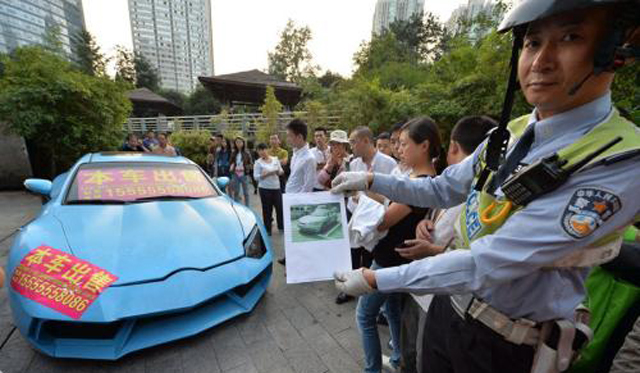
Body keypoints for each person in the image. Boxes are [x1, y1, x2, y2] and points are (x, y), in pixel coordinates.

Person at [331, 1, 640, 372]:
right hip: (450, 309)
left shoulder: (619, 159)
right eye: (532, 42)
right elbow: (442, 189)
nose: (540, 61)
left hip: (505, 343)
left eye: (570, 37)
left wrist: (375, 278)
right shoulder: (510, 132)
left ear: (616, 50)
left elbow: (487, 263)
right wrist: (370, 179)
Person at [393, 116, 497, 373]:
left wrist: (432, 251)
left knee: (424, 357)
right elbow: (435, 216)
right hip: (421, 287)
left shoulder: (486, 196)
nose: (399, 150)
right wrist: (424, 224)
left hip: (443, 297)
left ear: (453, 146)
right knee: (409, 350)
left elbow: (482, 257)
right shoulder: (451, 185)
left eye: (403, 143)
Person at [356, 117, 442, 373]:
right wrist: (364, 189)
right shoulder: (421, 177)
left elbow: (384, 222)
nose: (399, 149)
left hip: (390, 259)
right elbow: (391, 197)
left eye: (404, 144)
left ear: (424, 145)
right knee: (392, 309)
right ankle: (396, 358)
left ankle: (372, 369)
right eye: (398, 144)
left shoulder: (420, 182)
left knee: (364, 315)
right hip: (398, 256)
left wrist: (363, 200)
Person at [337, 126, 397, 304]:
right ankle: (350, 289)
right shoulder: (354, 164)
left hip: (378, 221)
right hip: (356, 216)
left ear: (365, 141)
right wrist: (353, 198)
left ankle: (371, 293)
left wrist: (366, 193)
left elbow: (393, 196)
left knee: (371, 257)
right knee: (353, 253)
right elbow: (351, 192)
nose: (351, 146)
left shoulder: (389, 164)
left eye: (353, 142)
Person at [279, 119, 317, 265]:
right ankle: (290, 257)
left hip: (297, 203)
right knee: (290, 232)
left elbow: (308, 186)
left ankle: (299, 264)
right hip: (289, 198)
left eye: (289, 136)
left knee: (299, 234)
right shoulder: (295, 153)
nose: (287, 139)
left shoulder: (309, 158)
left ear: (299, 137)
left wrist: (297, 203)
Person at [253, 143, 285, 236]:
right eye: (259, 150)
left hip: (276, 188)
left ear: (267, 149)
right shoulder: (258, 163)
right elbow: (256, 177)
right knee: (267, 209)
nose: (262, 152)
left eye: (263, 149)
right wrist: (265, 174)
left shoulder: (275, 159)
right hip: (264, 189)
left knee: (279, 208)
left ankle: (281, 227)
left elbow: (281, 171)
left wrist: (278, 171)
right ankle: (268, 229)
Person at [229, 136, 252, 206]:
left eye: (240, 142)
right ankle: (237, 207)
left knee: (246, 192)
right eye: (237, 142)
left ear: (243, 143)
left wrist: (245, 167)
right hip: (235, 174)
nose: (238, 144)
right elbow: (231, 162)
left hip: (244, 174)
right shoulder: (233, 152)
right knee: (236, 192)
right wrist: (232, 165)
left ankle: (247, 207)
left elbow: (251, 164)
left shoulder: (247, 152)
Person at [310, 127, 330, 191]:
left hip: (330, 186)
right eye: (316, 136)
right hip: (316, 187)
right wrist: (328, 164)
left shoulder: (332, 150)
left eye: (321, 135)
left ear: (325, 137)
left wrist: (319, 165)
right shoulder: (310, 152)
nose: (318, 138)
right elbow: (310, 167)